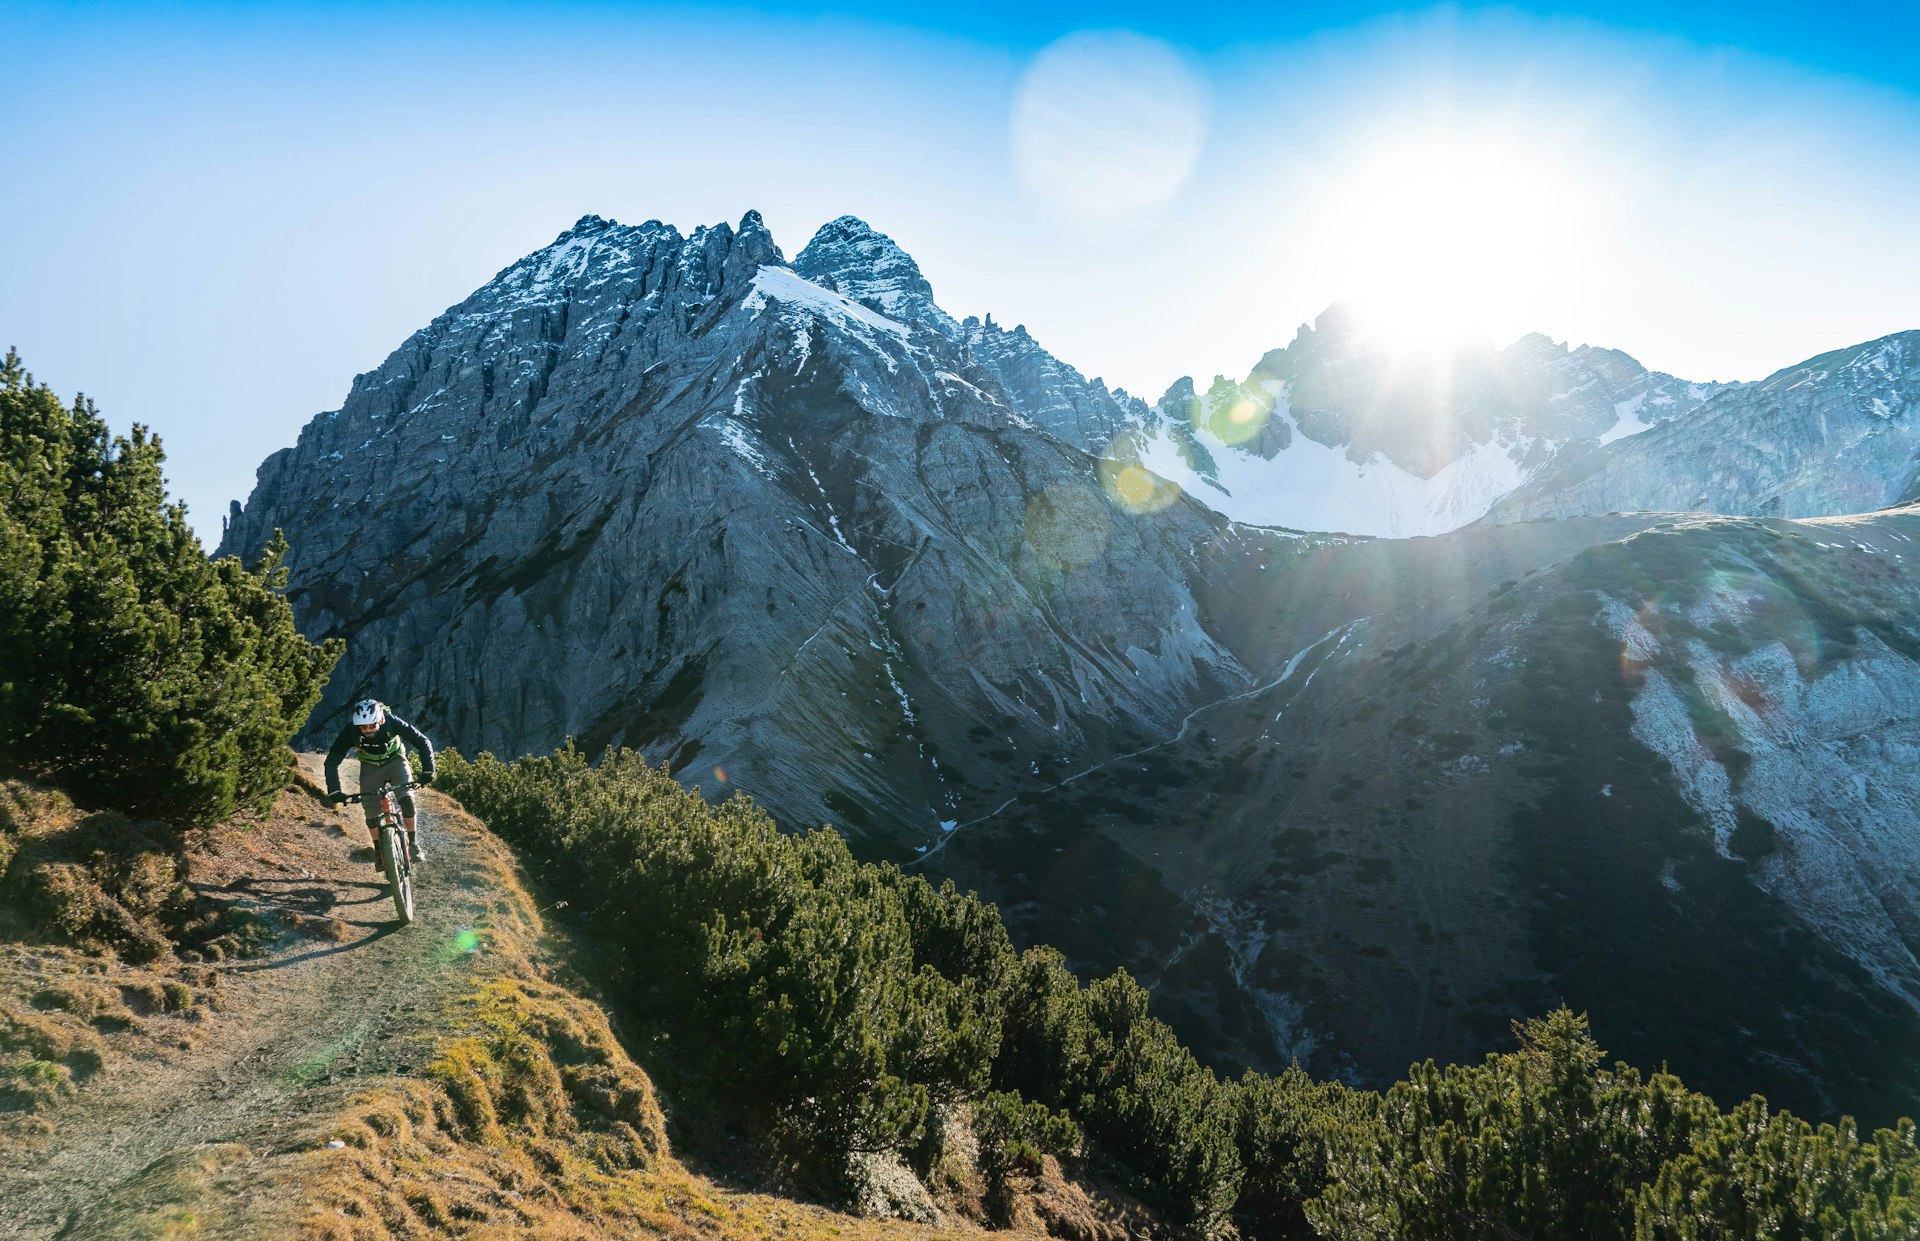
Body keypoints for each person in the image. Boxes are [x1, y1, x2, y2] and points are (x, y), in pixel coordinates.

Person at [325, 699, 435, 869]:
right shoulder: (351, 730)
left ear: (381, 720)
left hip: (396, 760)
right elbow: (332, 761)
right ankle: (378, 851)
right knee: (371, 811)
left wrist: (428, 771)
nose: (368, 730)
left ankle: (413, 843)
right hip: (370, 766)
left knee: (407, 799)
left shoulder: (391, 721)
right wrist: (334, 790)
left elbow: (422, 741)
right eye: (363, 727)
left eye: (372, 725)